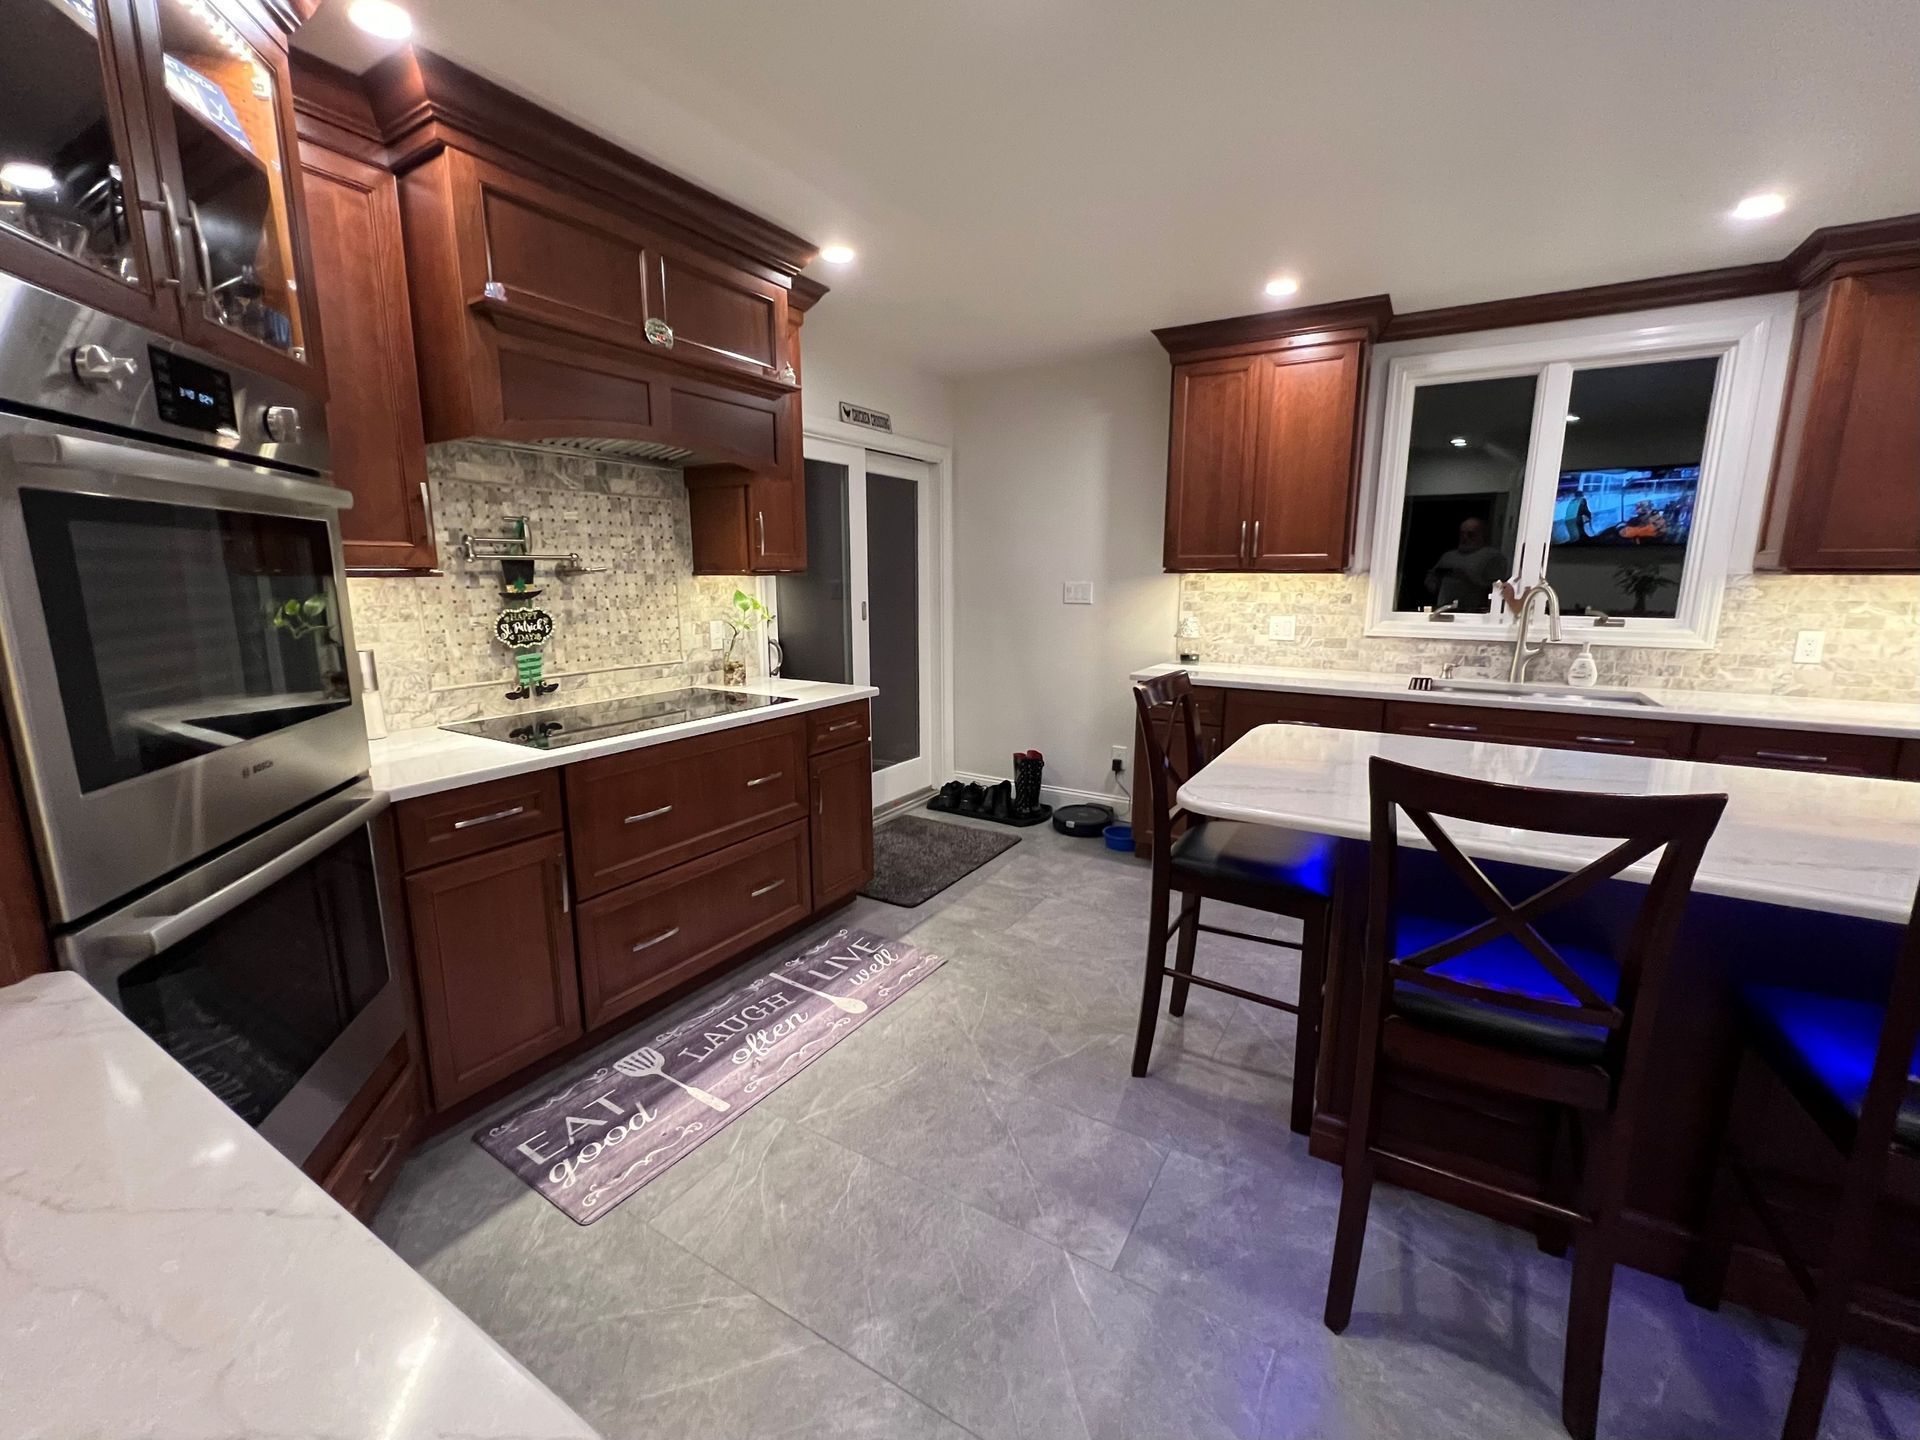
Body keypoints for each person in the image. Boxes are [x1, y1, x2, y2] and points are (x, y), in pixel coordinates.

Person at [1424, 517, 1508, 612]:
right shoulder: (1448, 557)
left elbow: (1498, 589)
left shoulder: (1492, 556)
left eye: (1470, 534)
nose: (1465, 538)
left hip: (1475, 613)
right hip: (1444, 611)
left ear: (1482, 535)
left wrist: (1468, 578)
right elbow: (1431, 580)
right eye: (1462, 534)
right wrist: (1435, 580)